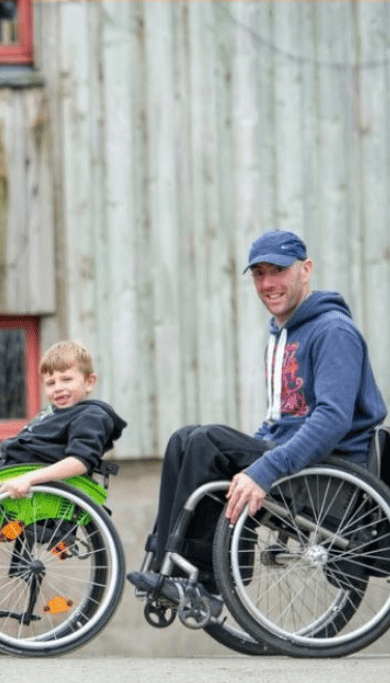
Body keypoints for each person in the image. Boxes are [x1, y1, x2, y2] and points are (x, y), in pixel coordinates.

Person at [127, 230, 387, 605]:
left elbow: (332, 419)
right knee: (185, 439)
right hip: (296, 462)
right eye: (259, 274)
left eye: (277, 271)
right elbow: (281, 419)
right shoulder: (282, 334)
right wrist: (249, 455)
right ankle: (164, 564)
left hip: (332, 476)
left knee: (207, 440)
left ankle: (206, 583)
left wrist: (263, 469)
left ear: (305, 270)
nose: (268, 284)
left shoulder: (333, 331)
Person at [0, 340, 126, 506]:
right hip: (8, 472)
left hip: (24, 484)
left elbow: (79, 462)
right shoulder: (53, 413)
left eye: (67, 379)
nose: (58, 388)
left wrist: (29, 479)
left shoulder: (91, 416)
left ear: (89, 382)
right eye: (51, 383)